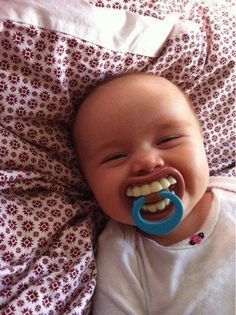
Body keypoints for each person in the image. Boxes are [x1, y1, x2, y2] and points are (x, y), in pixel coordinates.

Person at [73, 73, 235, 315]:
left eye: (168, 139)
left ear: (202, 142)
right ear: (87, 181)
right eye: (116, 156)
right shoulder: (122, 256)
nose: (147, 162)